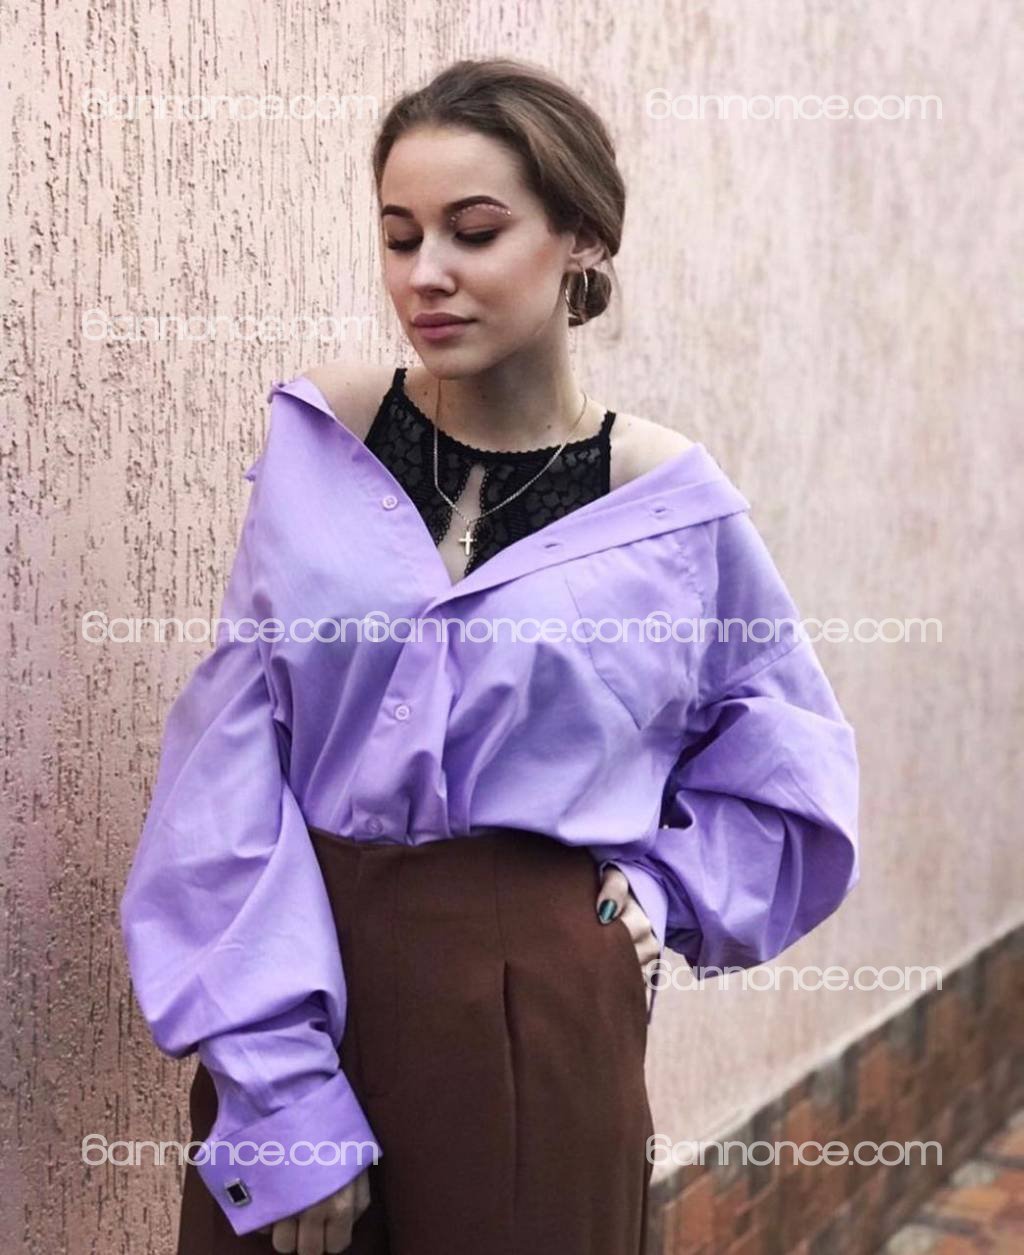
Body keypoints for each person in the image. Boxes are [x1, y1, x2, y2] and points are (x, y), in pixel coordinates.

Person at [119, 57, 860, 1255]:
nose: (426, 273)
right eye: (398, 235)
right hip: (297, 979)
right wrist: (281, 1092)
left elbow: (788, 766)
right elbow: (226, 764)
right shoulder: (323, 440)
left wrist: (667, 891)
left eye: (473, 232)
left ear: (581, 239)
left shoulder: (669, 507)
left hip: (546, 1005)